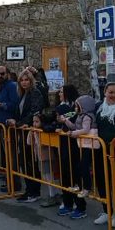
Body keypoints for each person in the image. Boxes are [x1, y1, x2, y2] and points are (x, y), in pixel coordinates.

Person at [7, 69, 44, 202]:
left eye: (26, 79)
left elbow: (34, 111)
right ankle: (30, 190)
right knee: (25, 161)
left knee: (30, 162)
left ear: (31, 81)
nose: (24, 82)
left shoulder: (35, 93)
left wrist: (19, 123)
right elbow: (20, 112)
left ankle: (33, 192)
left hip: (30, 132)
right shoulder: (22, 94)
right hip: (22, 131)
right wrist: (14, 121)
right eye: (21, 80)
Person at [55, 85, 88, 220]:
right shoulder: (61, 106)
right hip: (63, 144)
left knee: (75, 175)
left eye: (62, 92)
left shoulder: (75, 107)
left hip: (74, 145)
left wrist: (63, 118)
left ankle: (80, 205)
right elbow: (57, 120)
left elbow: (70, 119)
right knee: (65, 174)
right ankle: (68, 201)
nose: (59, 94)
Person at [60, 95, 98, 199]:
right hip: (83, 144)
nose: (76, 108)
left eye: (78, 106)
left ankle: (86, 188)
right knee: (80, 166)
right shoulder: (80, 115)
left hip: (89, 145)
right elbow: (75, 127)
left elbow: (85, 130)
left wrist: (73, 133)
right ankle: (81, 186)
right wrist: (66, 121)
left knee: (84, 166)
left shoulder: (87, 116)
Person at [93, 82, 115, 226]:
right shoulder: (98, 107)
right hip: (100, 151)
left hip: (114, 152)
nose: (113, 95)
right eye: (111, 92)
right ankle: (107, 211)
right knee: (102, 180)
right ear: (105, 92)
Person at [28, 112, 60, 207]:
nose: (34, 124)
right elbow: (29, 143)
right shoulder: (35, 131)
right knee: (46, 177)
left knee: (50, 177)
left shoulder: (44, 131)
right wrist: (31, 133)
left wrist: (37, 134)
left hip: (46, 156)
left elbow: (41, 143)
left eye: (37, 122)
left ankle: (53, 195)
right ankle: (54, 194)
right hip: (39, 156)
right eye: (33, 121)